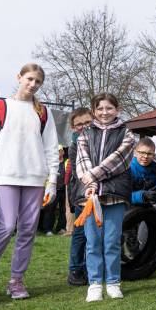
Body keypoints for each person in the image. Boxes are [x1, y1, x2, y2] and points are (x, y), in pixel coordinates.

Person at [0, 63, 60, 303]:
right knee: (6, 227)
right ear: (19, 77)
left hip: (35, 178)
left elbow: (51, 148)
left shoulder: (43, 112)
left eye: (37, 81)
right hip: (7, 176)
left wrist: (52, 181)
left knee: (28, 230)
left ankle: (16, 281)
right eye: (29, 79)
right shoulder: (0, 107)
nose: (33, 84)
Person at [76, 93, 137, 301]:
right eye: (100, 108)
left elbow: (120, 160)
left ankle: (113, 282)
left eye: (109, 108)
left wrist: (93, 175)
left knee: (112, 241)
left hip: (115, 195)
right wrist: (91, 184)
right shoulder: (85, 134)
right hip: (90, 196)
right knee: (92, 241)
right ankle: (94, 283)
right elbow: (81, 161)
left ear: (117, 110)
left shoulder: (127, 134)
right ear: (94, 111)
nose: (104, 112)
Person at [66, 107, 92, 286]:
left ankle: (90, 267)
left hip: (99, 191)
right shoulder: (75, 146)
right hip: (82, 193)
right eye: (79, 124)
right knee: (81, 233)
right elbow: (79, 173)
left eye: (87, 122)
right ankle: (75, 269)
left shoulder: (98, 138)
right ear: (73, 127)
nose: (84, 126)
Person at [39, 145, 67, 236]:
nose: (59, 153)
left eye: (60, 151)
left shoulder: (66, 162)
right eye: (57, 151)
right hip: (52, 189)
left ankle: (61, 228)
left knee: (63, 210)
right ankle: (48, 229)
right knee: (50, 210)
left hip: (64, 190)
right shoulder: (51, 164)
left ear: (63, 152)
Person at [130, 137, 156, 206]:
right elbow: (124, 195)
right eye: (142, 152)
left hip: (150, 206)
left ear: (154, 155)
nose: (145, 156)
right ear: (135, 152)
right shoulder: (128, 169)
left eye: (149, 154)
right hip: (131, 207)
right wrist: (143, 195)